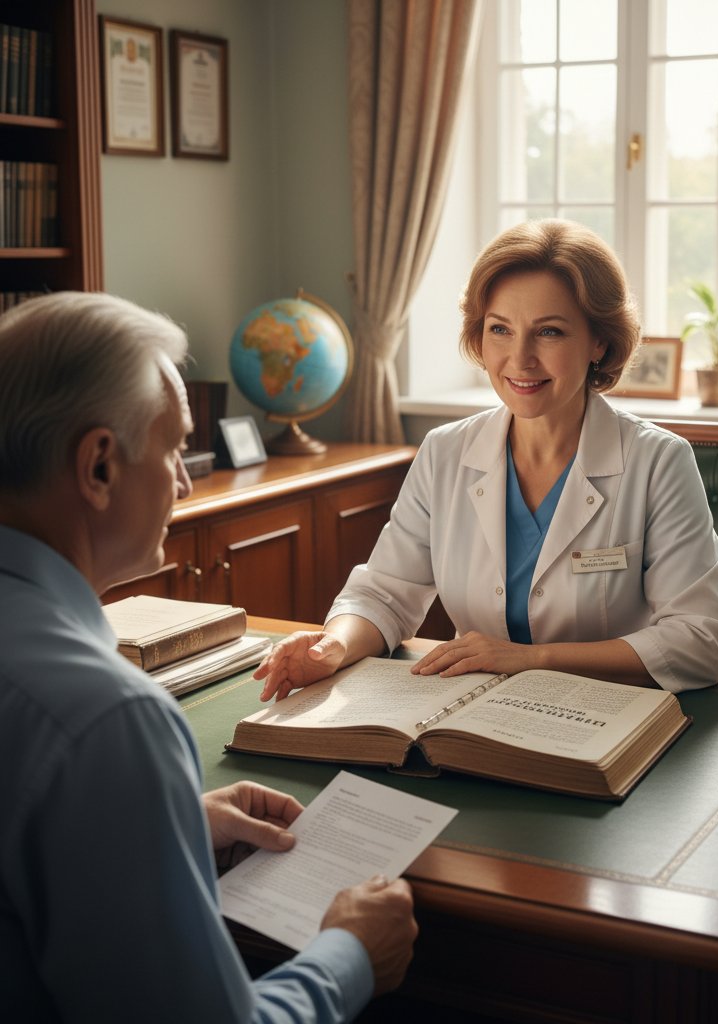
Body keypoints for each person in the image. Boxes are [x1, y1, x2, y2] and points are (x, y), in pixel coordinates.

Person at [0, 292, 417, 1022]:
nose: (187, 480)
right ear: (98, 466)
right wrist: (350, 953)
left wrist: (168, 825)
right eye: (173, 448)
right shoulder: (109, 722)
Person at [256, 220, 718, 703]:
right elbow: (383, 594)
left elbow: (701, 640)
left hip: (608, 719)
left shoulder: (659, 462)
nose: (519, 359)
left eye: (549, 331)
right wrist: (333, 646)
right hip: (474, 716)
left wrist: (530, 660)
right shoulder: (444, 453)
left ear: (599, 343)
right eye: (500, 329)